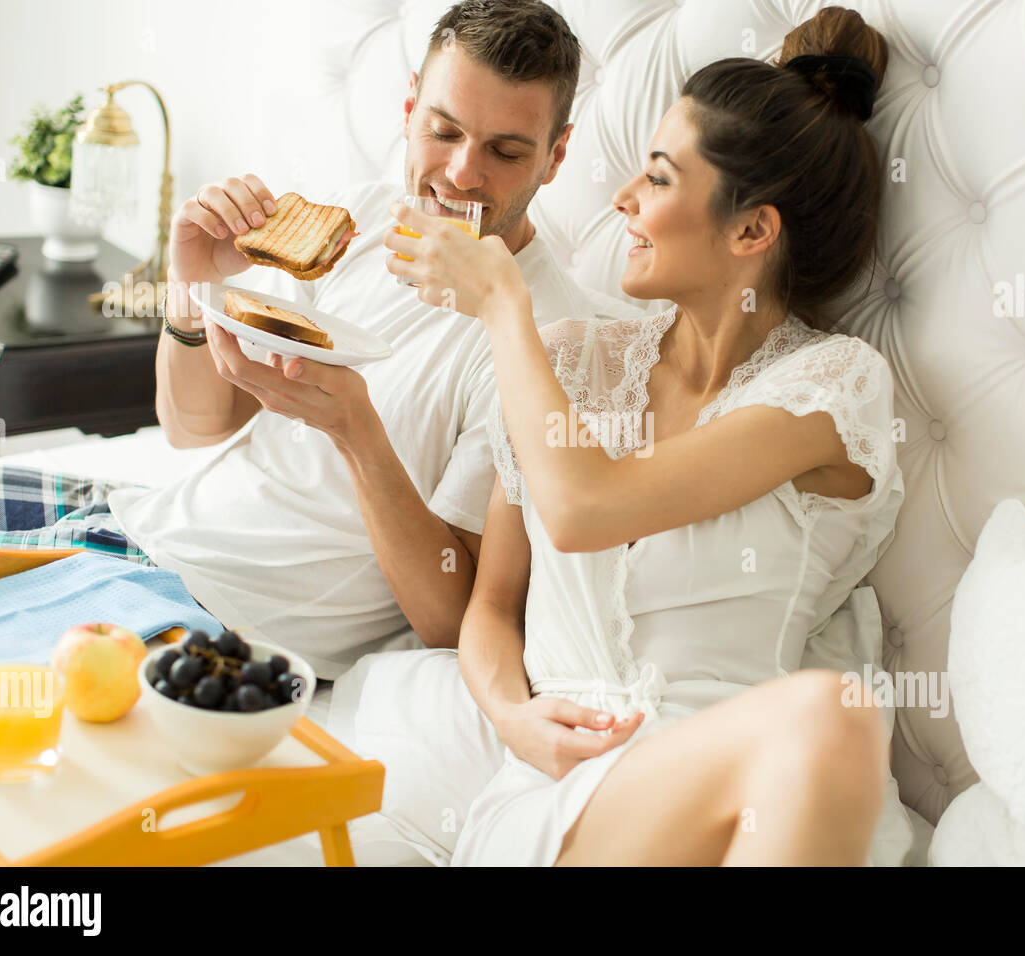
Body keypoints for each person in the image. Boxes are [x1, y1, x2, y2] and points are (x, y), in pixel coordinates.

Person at [330, 6, 918, 865]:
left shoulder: (833, 388)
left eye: (659, 179)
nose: (622, 201)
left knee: (830, 720)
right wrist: (510, 716)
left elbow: (584, 509)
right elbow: (490, 607)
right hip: (561, 798)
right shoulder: (568, 363)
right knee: (829, 719)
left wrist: (502, 305)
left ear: (752, 230)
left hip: (747, 791)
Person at [0, 0, 636, 679]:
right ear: (407, 112)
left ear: (556, 156)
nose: (461, 173)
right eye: (443, 131)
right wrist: (193, 288)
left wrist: (357, 432)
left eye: (505, 151)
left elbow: (454, 618)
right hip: (134, 523)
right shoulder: (357, 222)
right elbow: (196, 426)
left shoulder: (546, 340)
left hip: (203, 607)